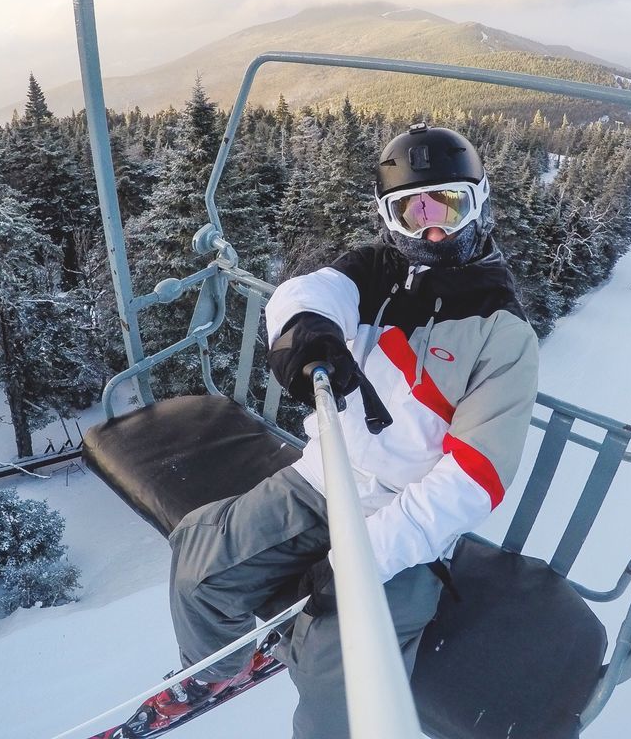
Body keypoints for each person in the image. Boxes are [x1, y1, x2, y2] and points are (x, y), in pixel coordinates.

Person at [147, 123, 539, 739]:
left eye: (449, 204)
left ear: (478, 202)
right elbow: (313, 291)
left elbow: (475, 478)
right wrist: (304, 326)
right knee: (200, 564)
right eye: (414, 210)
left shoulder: (502, 332)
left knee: (345, 688)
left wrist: (365, 556)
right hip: (323, 479)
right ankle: (212, 671)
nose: (433, 228)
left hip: (408, 523)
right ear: (391, 216)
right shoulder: (379, 271)